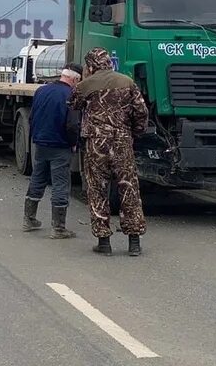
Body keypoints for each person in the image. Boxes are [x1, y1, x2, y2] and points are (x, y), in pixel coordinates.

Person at [69, 47, 149, 256]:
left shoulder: (85, 85)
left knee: (97, 189)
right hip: (122, 141)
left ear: (90, 65)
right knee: (129, 188)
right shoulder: (127, 82)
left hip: (96, 144)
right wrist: (135, 133)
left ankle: (104, 242)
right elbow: (141, 112)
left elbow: (74, 105)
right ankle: (134, 242)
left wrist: (86, 80)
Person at [22, 64, 82, 239]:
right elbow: (72, 125)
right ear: (75, 79)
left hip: (41, 143)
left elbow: (32, 117)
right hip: (60, 145)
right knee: (60, 184)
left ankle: (29, 219)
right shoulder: (71, 95)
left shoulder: (41, 91)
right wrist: (74, 143)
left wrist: (36, 136)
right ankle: (58, 228)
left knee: (38, 179)